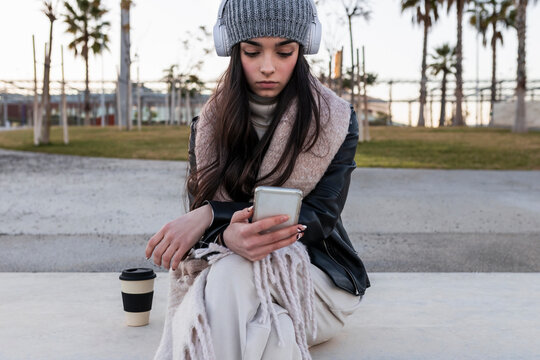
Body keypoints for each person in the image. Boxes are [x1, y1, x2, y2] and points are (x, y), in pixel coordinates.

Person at [146, 0, 370, 359]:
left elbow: (320, 215)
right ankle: (278, 332)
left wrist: (210, 216)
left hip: (315, 287)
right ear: (233, 51)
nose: (269, 67)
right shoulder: (206, 127)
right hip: (234, 283)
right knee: (263, 327)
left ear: (304, 47)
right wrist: (226, 235)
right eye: (252, 51)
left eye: (285, 52)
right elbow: (210, 235)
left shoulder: (336, 120)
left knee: (229, 278)